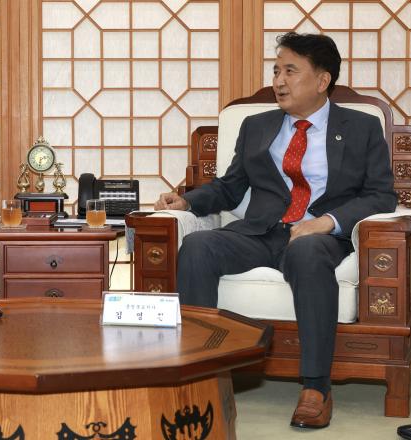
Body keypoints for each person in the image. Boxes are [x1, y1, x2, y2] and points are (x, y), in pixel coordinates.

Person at [155, 32, 396, 429]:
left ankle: (316, 388)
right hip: (260, 232)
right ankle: (200, 377)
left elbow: (381, 195)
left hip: (319, 236)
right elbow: (230, 187)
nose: (279, 81)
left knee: (307, 252)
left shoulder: (361, 127)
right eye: (276, 71)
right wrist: (188, 201)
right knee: (198, 246)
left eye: (290, 71)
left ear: (322, 80)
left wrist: (326, 222)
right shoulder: (256, 125)